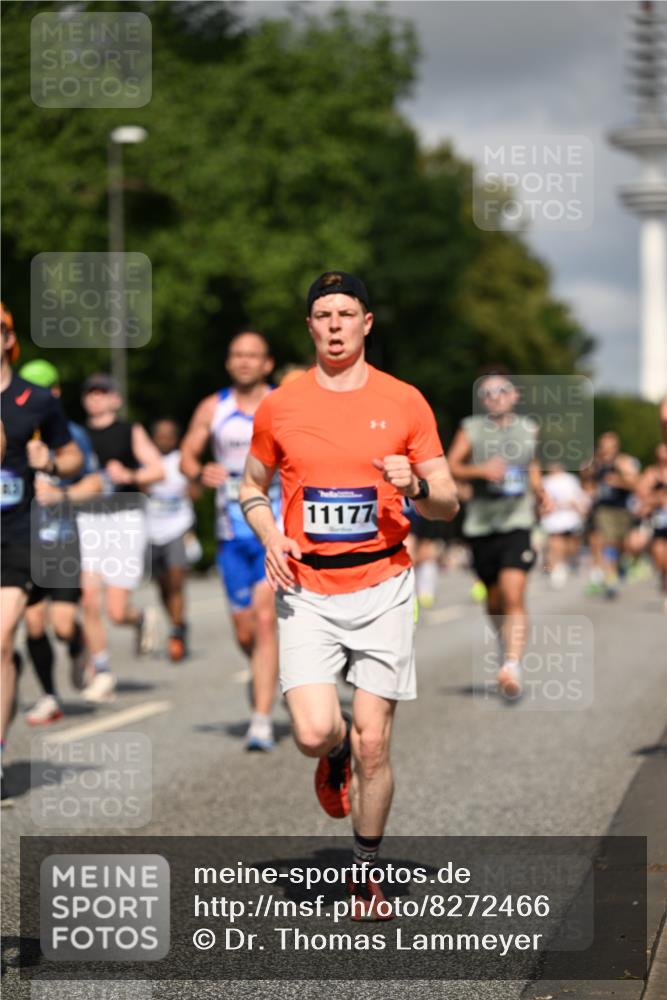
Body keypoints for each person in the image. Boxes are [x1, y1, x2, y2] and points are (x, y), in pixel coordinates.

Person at [240, 271, 459, 916]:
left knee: (375, 741)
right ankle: (330, 754)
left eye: (346, 313)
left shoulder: (406, 402)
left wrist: (416, 487)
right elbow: (250, 487)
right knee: (314, 732)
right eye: (323, 314)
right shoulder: (280, 404)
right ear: (309, 327)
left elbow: (447, 501)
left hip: (384, 581)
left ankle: (368, 872)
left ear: (368, 322)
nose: (334, 324)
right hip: (305, 586)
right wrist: (269, 535)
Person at [180, 330, 281, 752]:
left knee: (263, 620)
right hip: (229, 533)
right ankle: (265, 671)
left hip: (274, 530)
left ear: (267, 364)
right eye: (237, 355)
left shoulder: (282, 404)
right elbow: (187, 455)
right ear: (228, 363)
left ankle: (260, 721)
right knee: (245, 633)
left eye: (252, 355)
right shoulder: (213, 407)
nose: (244, 362)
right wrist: (199, 471)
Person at [1, 304, 82, 799]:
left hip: (15, 534)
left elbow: (71, 454)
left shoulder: (34, 400)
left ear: (10, 338)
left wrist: (49, 459)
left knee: (0, 634)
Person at [447, 370, 550, 699]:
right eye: (488, 393)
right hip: (481, 523)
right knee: (494, 601)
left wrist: (540, 491)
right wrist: (481, 470)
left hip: (517, 521)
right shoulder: (471, 428)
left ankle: (512, 664)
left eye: (502, 390)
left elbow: (532, 465)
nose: (495, 397)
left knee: (514, 593)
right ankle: (505, 642)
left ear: (515, 395)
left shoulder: (528, 428)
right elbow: (450, 465)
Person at [17, 358, 104, 724]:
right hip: (22, 543)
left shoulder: (71, 435)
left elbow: (96, 484)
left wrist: (61, 496)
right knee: (34, 626)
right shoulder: (11, 429)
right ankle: (50, 695)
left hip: (62, 541)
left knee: (63, 624)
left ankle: (78, 644)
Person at [77, 373, 164, 703]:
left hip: (125, 518)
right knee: (89, 598)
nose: (96, 398)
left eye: (103, 392)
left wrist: (130, 474)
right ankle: (101, 671)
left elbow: (158, 469)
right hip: (89, 518)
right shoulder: (78, 435)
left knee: (115, 611)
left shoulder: (130, 431)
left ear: (115, 398)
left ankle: (139, 617)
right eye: (91, 393)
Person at [146, 419, 200, 661]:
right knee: (162, 585)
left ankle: (176, 633)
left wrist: (194, 486)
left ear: (176, 439)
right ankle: (178, 623)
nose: (164, 439)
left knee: (177, 581)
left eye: (169, 435)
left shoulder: (182, 461)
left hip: (178, 527)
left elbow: (197, 492)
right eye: (160, 435)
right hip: (151, 530)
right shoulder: (145, 460)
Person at [581, 432, 640, 599]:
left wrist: (619, 481)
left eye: (609, 445)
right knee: (605, 541)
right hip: (602, 509)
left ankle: (618, 567)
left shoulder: (623, 462)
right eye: (602, 445)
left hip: (621, 509)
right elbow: (587, 483)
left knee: (620, 544)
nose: (605, 449)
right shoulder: (596, 463)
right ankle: (608, 576)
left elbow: (636, 484)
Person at [540, 461, 590, 589]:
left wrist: (581, 509)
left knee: (570, 546)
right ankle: (556, 568)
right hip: (553, 518)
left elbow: (578, 497)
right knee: (555, 543)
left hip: (569, 518)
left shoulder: (569, 479)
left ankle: (564, 563)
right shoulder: (544, 481)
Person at [636, 442, 667, 612]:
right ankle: (663, 576)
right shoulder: (652, 473)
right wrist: (658, 498)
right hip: (658, 520)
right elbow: (642, 495)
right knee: (659, 557)